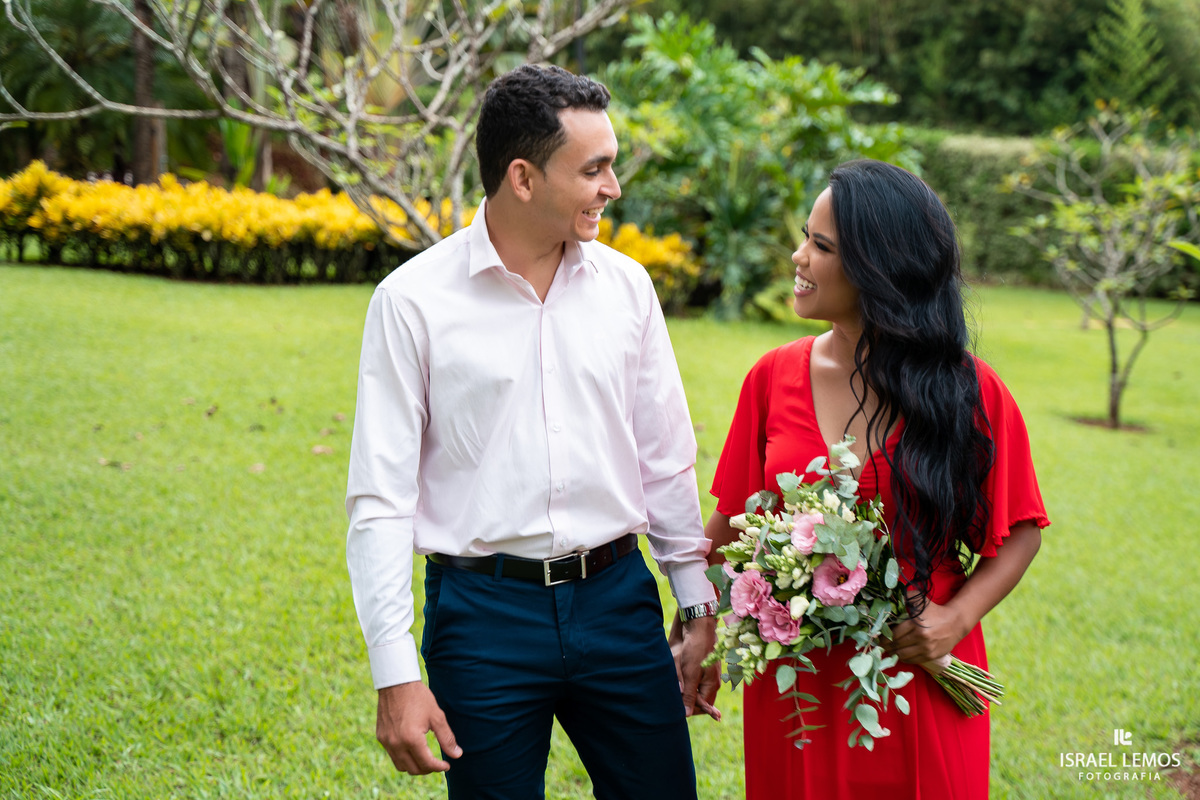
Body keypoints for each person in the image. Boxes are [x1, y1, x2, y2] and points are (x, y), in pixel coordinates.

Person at [344, 64, 719, 800]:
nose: (613, 186)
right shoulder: (411, 302)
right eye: (594, 169)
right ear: (521, 177)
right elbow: (381, 498)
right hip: (483, 619)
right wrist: (395, 671)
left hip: (618, 602)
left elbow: (664, 457)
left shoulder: (627, 289)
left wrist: (696, 599)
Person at [703, 159, 1049, 798]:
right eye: (806, 236)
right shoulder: (769, 378)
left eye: (821, 245)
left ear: (878, 271)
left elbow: (1023, 528)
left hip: (922, 668)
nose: (798, 256)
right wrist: (698, 627)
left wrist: (954, 619)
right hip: (799, 684)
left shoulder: (969, 391)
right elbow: (725, 530)